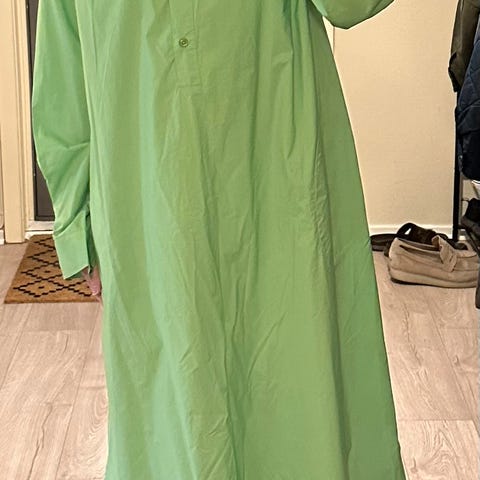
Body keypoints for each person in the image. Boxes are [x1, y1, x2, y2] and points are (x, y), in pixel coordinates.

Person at [31, 0, 406, 478]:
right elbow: (62, 74)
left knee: (299, 395)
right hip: (146, 205)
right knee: (174, 412)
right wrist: (77, 223)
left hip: (280, 186)